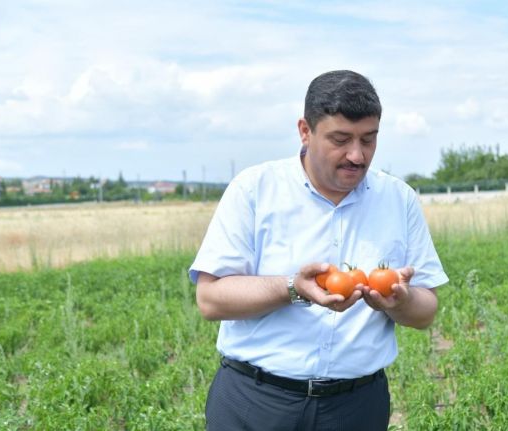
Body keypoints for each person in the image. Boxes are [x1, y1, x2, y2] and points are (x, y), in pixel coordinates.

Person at [190, 70, 448, 431]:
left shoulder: (398, 199)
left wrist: (401, 301)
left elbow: (426, 313)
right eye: (340, 139)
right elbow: (211, 299)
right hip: (256, 401)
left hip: (357, 407)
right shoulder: (254, 190)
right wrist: (293, 288)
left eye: (369, 140)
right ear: (305, 131)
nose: (357, 155)